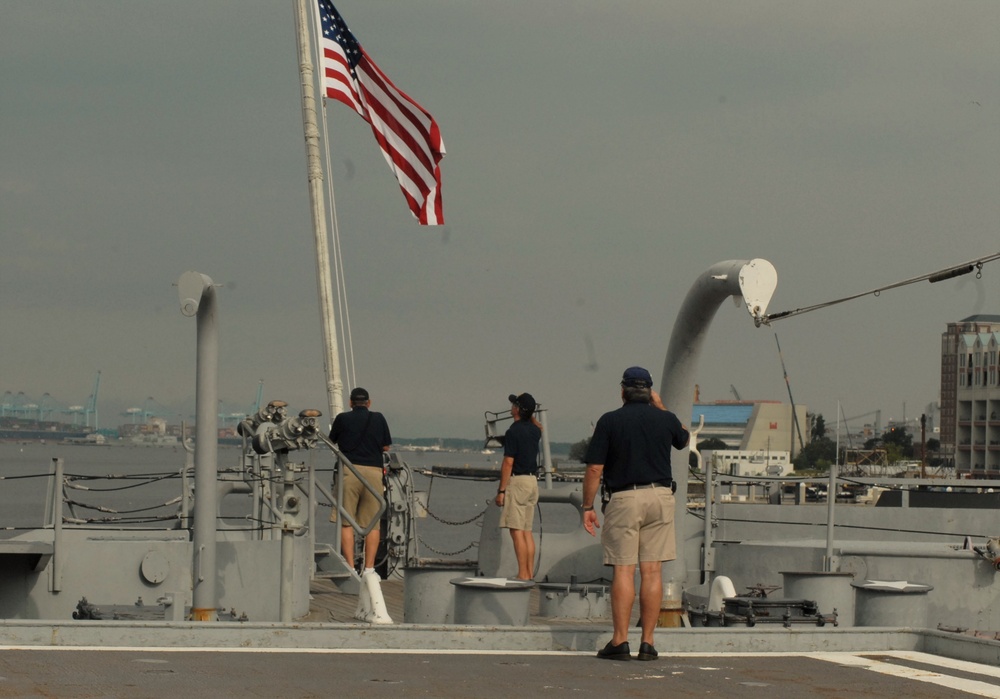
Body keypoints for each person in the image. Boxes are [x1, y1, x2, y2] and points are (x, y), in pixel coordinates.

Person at [581, 366, 689, 661]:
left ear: (622, 391)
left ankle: (620, 641)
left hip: (625, 497)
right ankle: (648, 643)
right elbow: (683, 439)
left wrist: (588, 506)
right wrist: (662, 405)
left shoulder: (610, 421)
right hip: (661, 496)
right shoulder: (665, 419)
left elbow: (594, 468)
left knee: (624, 569)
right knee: (652, 571)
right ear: (650, 392)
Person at [329, 387, 392, 578]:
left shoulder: (342, 419)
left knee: (346, 521)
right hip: (373, 473)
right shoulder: (378, 418)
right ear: (369, 403)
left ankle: (350, 567)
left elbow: (332, 443)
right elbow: (386, 446)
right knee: (372, 524)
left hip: (349, 471)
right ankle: (369, 569)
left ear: (350, 403)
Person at [494, 392, 542, 580]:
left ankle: (522, 574)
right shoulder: (535, 430)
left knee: (516, 531)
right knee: (527, 531)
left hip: (518, 482)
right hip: (532, 482)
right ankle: (528, 572)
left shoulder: (513, 432)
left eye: (514, 404)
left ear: (517, 409)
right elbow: (536, 424)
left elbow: (508, 463)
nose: (511, 406)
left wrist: (502, 490)